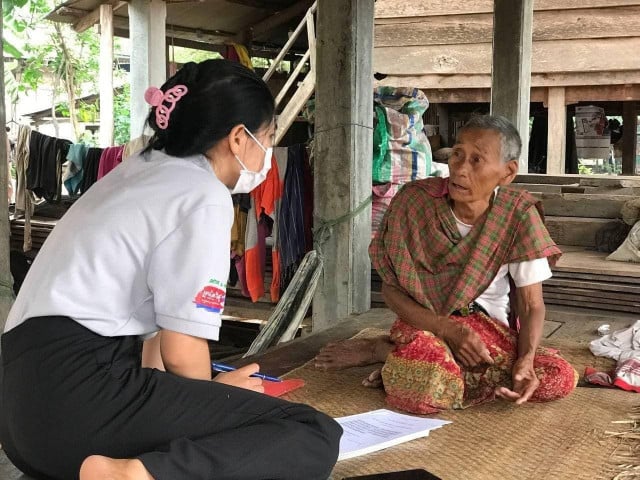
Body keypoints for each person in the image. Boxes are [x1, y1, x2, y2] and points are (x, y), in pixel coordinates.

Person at [0, 59, 342, 480]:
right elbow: (181, 351)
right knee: (312, 430)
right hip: (81, 399)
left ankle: (130, 469)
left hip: (26, 415)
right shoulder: (201, 193)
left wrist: (191, 403)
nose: (267, 152)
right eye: (268, 137)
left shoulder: (138, 170)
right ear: (239, 137)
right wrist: (210, 399)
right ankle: (137, 476)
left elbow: (148, 340)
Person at [315, 115, 578, 414]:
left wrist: (525, 361)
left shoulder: (517, 215)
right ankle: (384, 350)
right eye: (457, 154)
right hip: (426, 323)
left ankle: (408, 363)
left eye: (477, 160)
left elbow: (531, 305)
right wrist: (447, 329)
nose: (461, 169)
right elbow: (391, 292)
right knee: (426, 386)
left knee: (559, 376)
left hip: (489, 335)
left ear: (507, 173)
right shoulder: (414, 203)